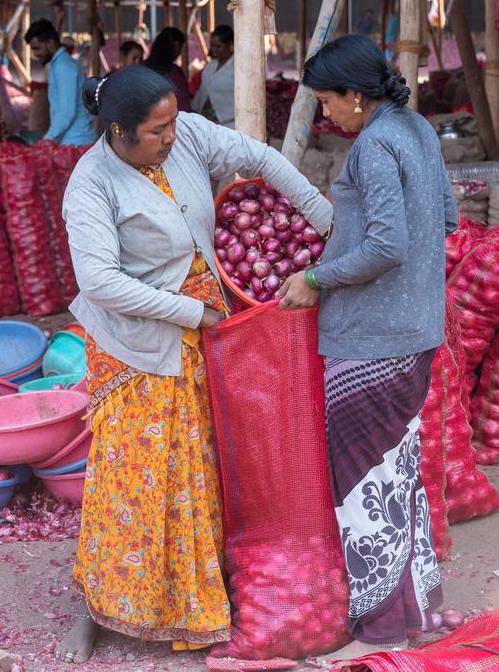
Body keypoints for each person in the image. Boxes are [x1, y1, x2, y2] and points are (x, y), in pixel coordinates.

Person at [53, 65, 332, 664]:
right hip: (139, 344)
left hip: (208, 329)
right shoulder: (91, 185)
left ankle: (207, 592)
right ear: (119, 132)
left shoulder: (187, 135)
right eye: (157, 132)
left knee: (205, 463)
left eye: (174, 123)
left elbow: (258, 155)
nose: (171, 138)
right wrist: (188, 312)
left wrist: (321, 214)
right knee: (138, 476)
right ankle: (102, 606)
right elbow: (98, 281)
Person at [278, 34, 454, 658]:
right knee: (396, 470)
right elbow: (448, 220)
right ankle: (416, 608)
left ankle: (381, 625)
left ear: (356, 94)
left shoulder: (376, 145)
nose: (326, 115)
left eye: (327, 102)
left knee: (361, 480)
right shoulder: (419, 131)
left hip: (372, 338)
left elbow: (386, 245)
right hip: (416, 330)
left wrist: (317, 276)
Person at [25, 18, 95, 146]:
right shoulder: (59, 65)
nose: (35, 54)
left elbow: (66, 112)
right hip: (71, 140)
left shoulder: (64, 67)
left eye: (37, 48)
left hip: (76, 142)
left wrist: (47, 139)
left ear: (51, 43)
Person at [191, 26, 235, 128]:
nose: (213, 50)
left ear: (231, 45)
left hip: (228, 122)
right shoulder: (210, 66)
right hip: (205, 120)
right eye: (212, 46)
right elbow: (202, 91)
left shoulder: (238, 68)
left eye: (218, 46)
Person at [144, 27, 191, 110]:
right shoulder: (176, 73)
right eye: (180, 48)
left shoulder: (141, 68)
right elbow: (183, 106)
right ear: (176, 45)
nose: (180, 53)